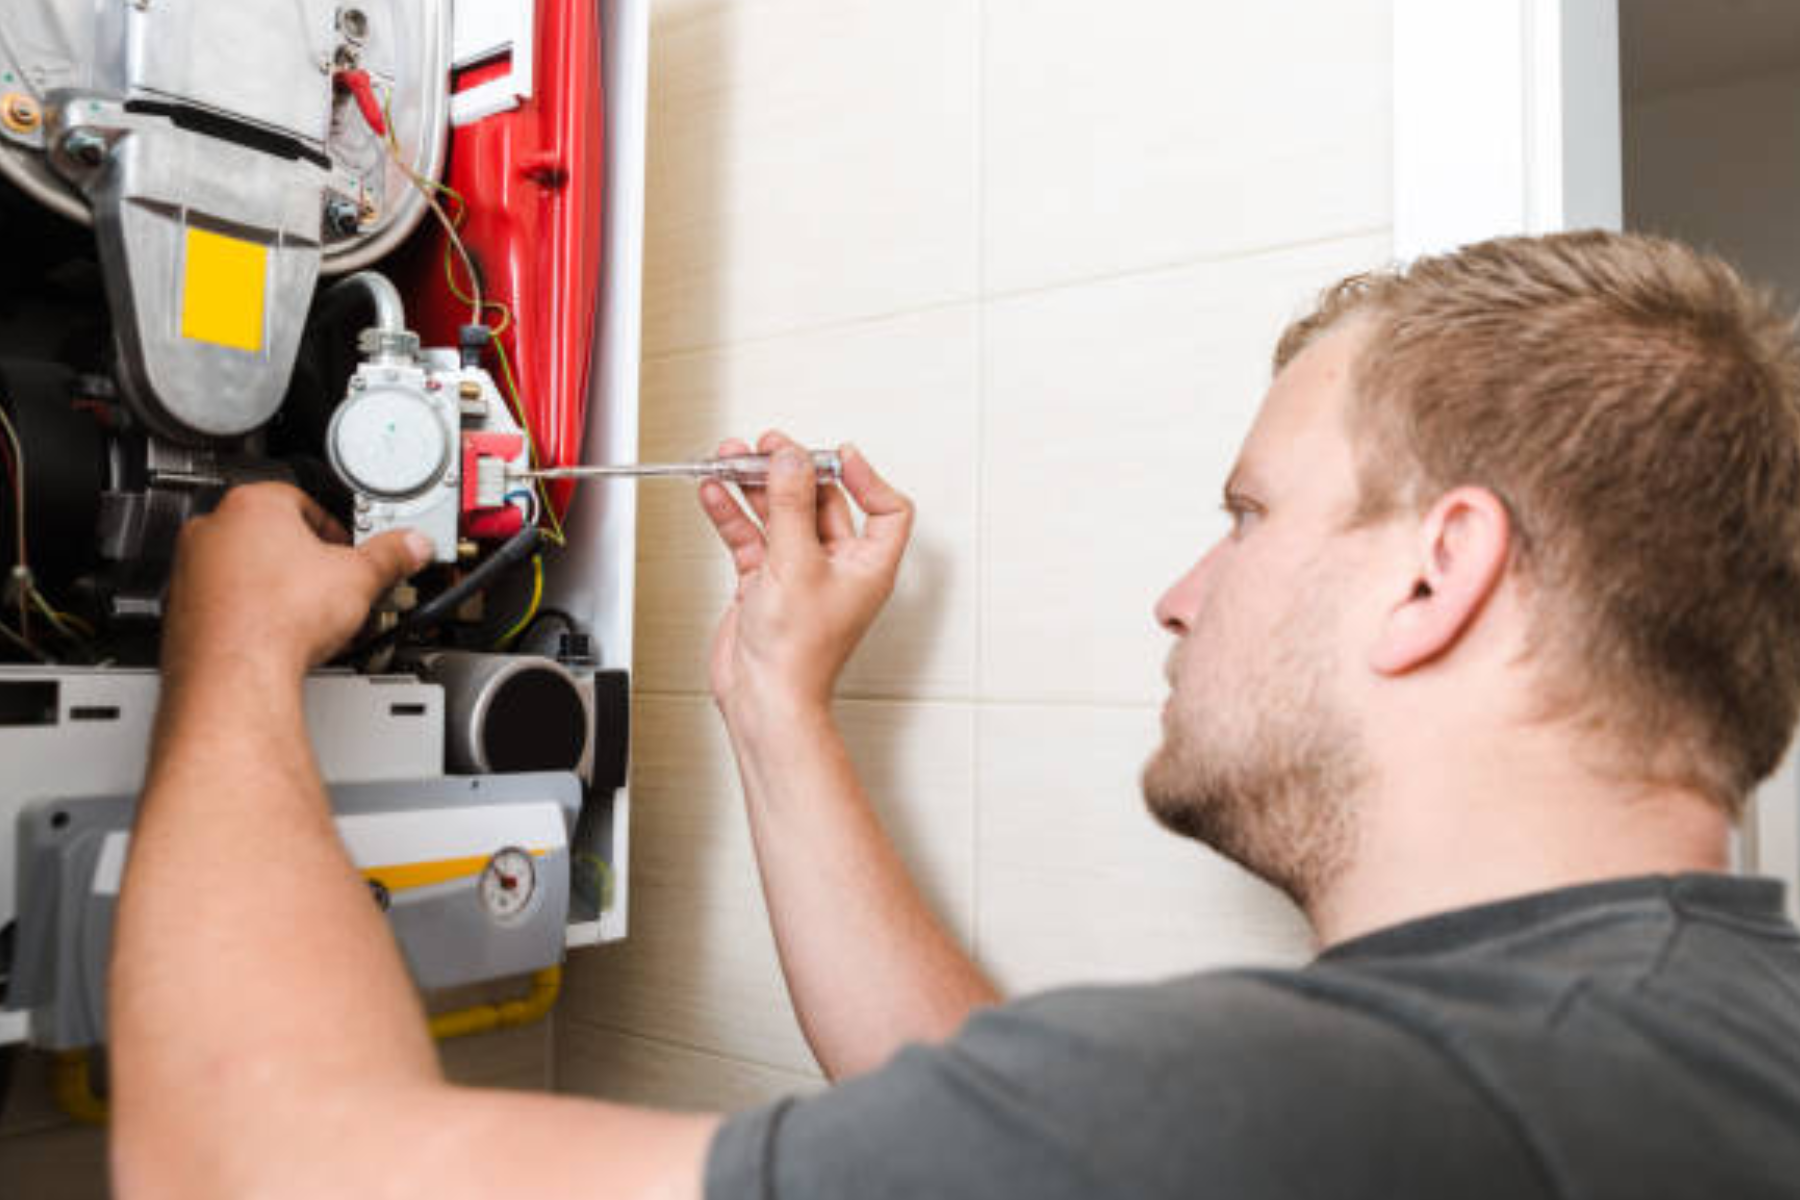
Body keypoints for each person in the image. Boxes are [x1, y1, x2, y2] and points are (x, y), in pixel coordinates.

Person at [109, 230, 1800, 1200]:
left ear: (1439, 576)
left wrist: (235, 657)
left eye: (1250, 514)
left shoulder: (1308, 1110)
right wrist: (777, 699)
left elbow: (243, 1162)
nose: (1182, 593)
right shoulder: (1713, 1030)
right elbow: (984, 1120)